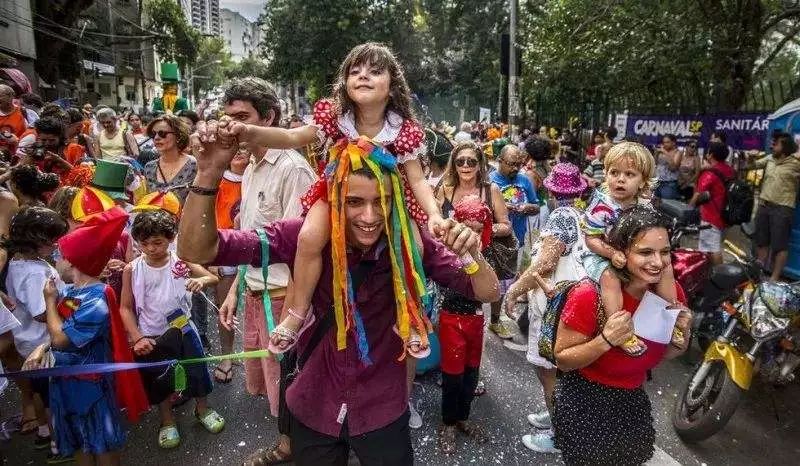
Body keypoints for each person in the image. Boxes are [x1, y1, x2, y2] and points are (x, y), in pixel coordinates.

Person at [177, 127, 500, 465]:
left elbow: (488, 291)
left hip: (383, 413)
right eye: (354, 202)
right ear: (332, 200)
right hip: (314, 408)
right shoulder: (302, 236)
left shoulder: (409, 242)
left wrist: (471, 256)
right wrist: (209, 173)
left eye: (381, 202)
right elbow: (198, 248)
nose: (369, 217)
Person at [200, 44, 447, 361]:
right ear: (344, 82)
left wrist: (436, 215)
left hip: (390, 204)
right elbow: (290, 138)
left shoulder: (402, 128)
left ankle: (410, 317)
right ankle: (298, 312)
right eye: (355, 71)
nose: (363, 76)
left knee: (415, 246)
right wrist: (248, 130)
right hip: (333, 195)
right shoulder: (335, 118)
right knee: (307, 237)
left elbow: (415, 180)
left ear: (393, 84)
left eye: (374, 71)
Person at [212, 77, 315, 465]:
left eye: (242, 117)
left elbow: (303, 252)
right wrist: (236, 290)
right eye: (228, 117)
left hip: (284, 300)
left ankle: (297, 449)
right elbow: (254, 241)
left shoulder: (292, 168)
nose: (232, 126)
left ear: (267, 117)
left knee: (291, 383)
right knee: (275, 386)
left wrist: (290, 314)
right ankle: (291, 444)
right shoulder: (252, 165)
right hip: (256, 293)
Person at [551, 205, 692, 465]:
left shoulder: (670, 296)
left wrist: (681, 335)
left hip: (631, 401)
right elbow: (563, 360)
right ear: (621, 252)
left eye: (664, 252)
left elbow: (665, 354)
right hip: (585, 399)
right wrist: (605, 340)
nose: (658, 262)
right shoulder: (588, 296)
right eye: (645, 252)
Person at [23, 206, 148, 466]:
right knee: (79, 440)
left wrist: (49, 301)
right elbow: (61, 333)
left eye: (60, 254)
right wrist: (41, 349)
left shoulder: (97, 299)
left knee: (101, 441)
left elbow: (62, 338)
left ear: (73, 262)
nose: (55, 258)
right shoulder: (70, 292)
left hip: (91, 387)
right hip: (66, 383)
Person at [119, 209, 223, 449]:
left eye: (158, 242)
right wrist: (137, 337)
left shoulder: (181, 260)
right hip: (152, 334)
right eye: (144, 243)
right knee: (159, 379)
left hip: (184, 328)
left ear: (171, 238)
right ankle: (167, 420)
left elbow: (212, 278)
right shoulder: (132, 269)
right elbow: (125, 308)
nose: (151, 248)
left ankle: (202, 408)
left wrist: (201, 280)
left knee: (196, 370)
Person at [503, 162, 588, 454]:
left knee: (547, 371)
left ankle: (559, 433)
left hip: (556, 305)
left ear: (550, 189)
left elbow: (545, 263)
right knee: (558, 370)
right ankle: (557, 414)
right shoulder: (580, 213)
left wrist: (514, 290)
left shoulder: (560, 218)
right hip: (572, 303)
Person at [580, 142, 677, 356]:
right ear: (606, 175)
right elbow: (591, 239)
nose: (620, 179)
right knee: (610, 278)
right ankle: (620, 328)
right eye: (614, 172)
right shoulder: (601, 206)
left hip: (632, 255)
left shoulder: (644, 205)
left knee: (665, 267)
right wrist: (611, 253)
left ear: (643, 181)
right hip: (601, 255)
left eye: (629, 174)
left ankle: (672, 314)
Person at [435, 196, 502, 454]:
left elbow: (491, 290)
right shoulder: (446, 253)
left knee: (471, 374)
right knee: (452, 376)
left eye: (478, 228)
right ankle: (448, 423)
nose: (472, 234)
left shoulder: (484, 251)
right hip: (452, 320)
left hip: (475, 320)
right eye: (468, 227)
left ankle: (462, 417)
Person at [2, 207, 68, 445]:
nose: (56, 245)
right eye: (52, 241)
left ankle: (44, 430)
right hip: (39, 342)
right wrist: (65, 303)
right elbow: (41, 312)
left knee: (40, 388)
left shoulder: (19, 264)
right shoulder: (32, 273)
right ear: (36, 240)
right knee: (48, 392)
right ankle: (55, 439)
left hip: (28, 340)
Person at [488, 144, 539, 339]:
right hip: (491, 240)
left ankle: (494, 320)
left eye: (519, 164)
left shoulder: (524, 180)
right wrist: (502, 207)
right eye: (511, 164)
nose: (516, 168)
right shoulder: (489, 182)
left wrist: (527, 207)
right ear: (499, 161)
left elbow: (536, 205)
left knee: (502, 282)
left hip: (514, 241)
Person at [211, 149, 248, 383]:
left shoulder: (261, 175)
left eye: (244, 147)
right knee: (226, 308)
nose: (239, 152)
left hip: (260, 248)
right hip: (225, 251)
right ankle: (226, 356)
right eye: (235, 147)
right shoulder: (217, 180)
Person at [750, 132, 800, 281]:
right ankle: (759, 273)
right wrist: (751, 157)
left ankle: (774, 278)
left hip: (783, 209)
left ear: (784, 147)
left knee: (780, 245)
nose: (772, 145)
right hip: (764, 206)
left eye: (776, 143)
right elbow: (752, 166)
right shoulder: (769, 159)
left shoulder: (796, 163)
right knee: (762, 241)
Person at [689, 142, 735, 265]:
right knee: (713, 245)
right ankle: (711, 272)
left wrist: (689, 208)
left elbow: (698, 193)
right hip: (725, 214)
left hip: (711, 216)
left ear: (711, 155)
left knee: (711, 248)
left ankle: (719, 275)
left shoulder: (710, 173)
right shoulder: (729, 170)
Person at [143, 114, 195, 204]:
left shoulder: (193, 165)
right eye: (153, 134)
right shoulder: (149, 167)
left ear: (178, 135)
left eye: (162, 134)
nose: (156, 138)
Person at [654, 134, 682, 200]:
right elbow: (655, 164)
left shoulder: (678, 152)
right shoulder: (661, 151)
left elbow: (673, 168)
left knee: (666, 206)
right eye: (664, 142)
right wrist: (656, 153)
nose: (665, 144)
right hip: (657, 182)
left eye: (667, 142)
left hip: (669, 184)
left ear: (673, 143)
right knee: (653, 205)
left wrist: (665, 152)